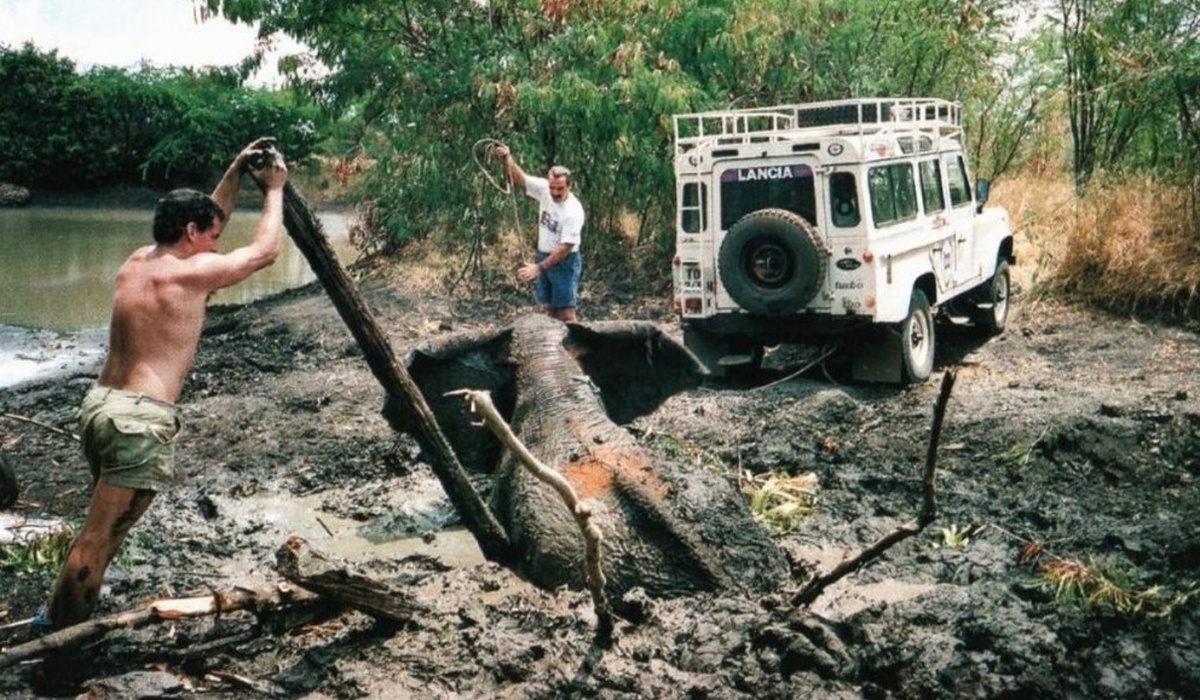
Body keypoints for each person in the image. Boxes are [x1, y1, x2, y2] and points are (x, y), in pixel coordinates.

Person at [38, 138, 288, 630]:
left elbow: (210, 216)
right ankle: (56, 634)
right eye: (212, 236)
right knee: (98, 536)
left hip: (101, 406)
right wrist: (275, 189)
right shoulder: (188, 275)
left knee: (106, 533)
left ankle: (65, 617)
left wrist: (236, 169)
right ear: (190, 232)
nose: (216, 244)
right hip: (137, 420)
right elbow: (265, 251)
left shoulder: (136, 262)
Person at [493, 143, 585, 321]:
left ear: (569, 186)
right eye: (552, 187)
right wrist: (506, 158)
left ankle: (574, 339)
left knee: (565, 313)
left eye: (560, 188)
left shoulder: (573, 211)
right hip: (543, 255)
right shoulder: (545, 190)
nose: (555, 192)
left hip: (564, 261)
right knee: (546, 310)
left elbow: (565, 248)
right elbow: (520, 178)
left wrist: (539, 267)